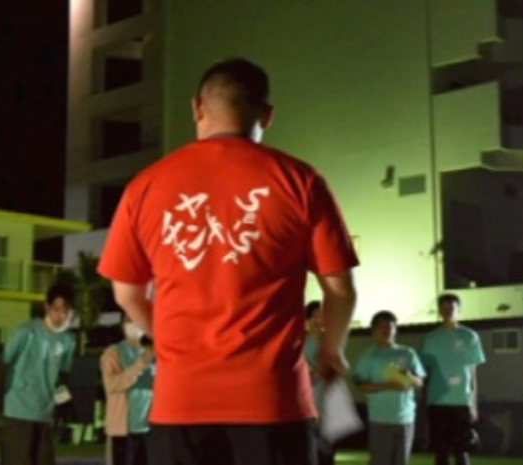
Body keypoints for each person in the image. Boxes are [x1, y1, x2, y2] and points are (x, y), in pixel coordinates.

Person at [98, 57, 359, 465]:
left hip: (181, 404)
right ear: (266, 115)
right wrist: (331, 349)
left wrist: (168, 340)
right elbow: (340, 290)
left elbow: (126, 293)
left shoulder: (145, 186)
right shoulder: (301, 181)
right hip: (273, 403)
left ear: (196, 107)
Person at [2, 283, 76, 465]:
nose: (61, 316)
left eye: (65, 311)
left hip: (45, 413)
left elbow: (62, 377)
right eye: (57, 309)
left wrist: (63, 406)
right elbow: (3, 363)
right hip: (18, 412)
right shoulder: (25, 332)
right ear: (47, 307)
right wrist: (1, 397)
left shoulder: (68, 341)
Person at [353, 311, 425, 465]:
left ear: (395, 329)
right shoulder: (368, 356)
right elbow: (360, 386)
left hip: (405, 418)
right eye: (381, 326)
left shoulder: (408, 353)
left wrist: (409, 376)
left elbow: (420, 383)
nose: (386, 330)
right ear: (373, 331)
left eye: (390, 326)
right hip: (379, 419)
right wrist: (389, 386)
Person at [420, 294, 486, 465]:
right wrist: (424, 402)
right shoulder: (431, 338)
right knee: (440, 452)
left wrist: (473, 405)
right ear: (439, 310)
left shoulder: (470, 336)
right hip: (437, 401)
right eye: (444, 307)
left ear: (459, 310)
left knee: (461, 451)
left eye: (452, 307)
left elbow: (473, 374)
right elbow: (426, 371)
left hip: (461, 401)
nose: (448, 310)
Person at [101, 316, 155, 465]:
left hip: (148, 429)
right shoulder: (113, 353)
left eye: (137, 319)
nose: (134, 325)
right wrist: (139, 365)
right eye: (129, 320)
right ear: (122, 325)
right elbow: (112, 385)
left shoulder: (152, 353)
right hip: (123, 431)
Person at [304, 300, 335, 465]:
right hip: (306, 406)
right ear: (306, 320)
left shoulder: (331, 344)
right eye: (313, 316)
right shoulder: (299, 344)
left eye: (321, 316)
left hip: (329, 404)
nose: (318, 320)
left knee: (327, 452)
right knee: (308, 452)